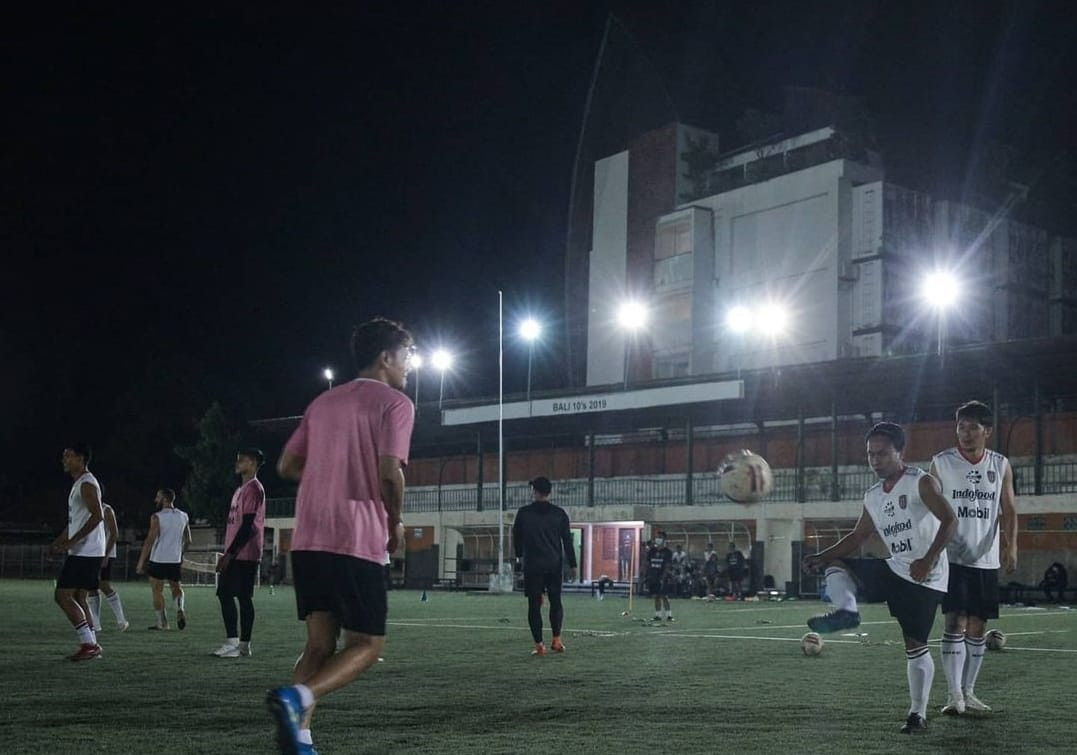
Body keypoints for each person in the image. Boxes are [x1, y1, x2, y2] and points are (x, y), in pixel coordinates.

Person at [267, 317, 416, 755]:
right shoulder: (396, 404)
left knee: (318, 644)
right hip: (356, 538)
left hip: (310, 536)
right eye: (406, 355)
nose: (409, 365)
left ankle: (301, 739)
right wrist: (395, 522)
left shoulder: (323, 403)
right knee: (367, 644)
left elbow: (287, 467)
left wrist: (329, 474)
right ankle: (299, 698)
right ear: (386, 357)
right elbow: (391, 474)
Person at [802, 422, 956, 734]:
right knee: (836, 562)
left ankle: (918, 714)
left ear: (900, 452)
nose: (875, 460)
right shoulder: (872, 496)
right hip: (895, 567)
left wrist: (929, 559)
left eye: (882, 454)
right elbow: (858, 536)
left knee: (915, 645)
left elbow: (950, 521)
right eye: (871, 454)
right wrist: (821, 556)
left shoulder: (921, 483)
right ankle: (847, 612)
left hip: (926, 576)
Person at [930, 401, 1017, 715]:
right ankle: (954, 695)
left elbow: (1009, 509)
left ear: (987, 431)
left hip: (987, 559)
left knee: (978, 626)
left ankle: (969, 692)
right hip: (952, 557)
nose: (965, 433)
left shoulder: (1001, 464)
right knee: (955, 621)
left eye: (972, 427)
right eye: (961, 427)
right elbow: (931, 508)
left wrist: (1011, 546)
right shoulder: (941, 463)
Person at [51, 444, 107, 661]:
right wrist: (59, 541)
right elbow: (76, 521)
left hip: (86, 551)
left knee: (62, 595)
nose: (64, 459)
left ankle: (89, 644)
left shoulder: (86, 483)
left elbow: (97, 515)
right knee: (78, 596)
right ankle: (92, 644)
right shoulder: (79, 484)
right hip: (86, 550)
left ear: (81, 458)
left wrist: (72, 542)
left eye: (68, 456)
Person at [212, 448, 267, 658]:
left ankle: (235, 644)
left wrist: (230, 554)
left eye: (241, 460)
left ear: (252, 463)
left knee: (231, 595)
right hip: (238, 553)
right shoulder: (240, 490)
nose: (237, 463)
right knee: (236, 596)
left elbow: (247, 526)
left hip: (245, 553)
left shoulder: (254, 489)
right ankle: (242, 645)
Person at [513, 476, 577, 655]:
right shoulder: (559, 513)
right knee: (556, 602)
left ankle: (539, 645)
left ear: (534, 491)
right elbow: (567, 541)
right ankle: (556, 640)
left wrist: (519, 557)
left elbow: (516, 536)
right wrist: (572, 564)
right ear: (550, 492)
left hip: (533, 565)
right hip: (554, 564)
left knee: (534, 605)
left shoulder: (524, 513)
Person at [136, 488, 191, 630]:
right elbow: (188, 540)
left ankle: (163, 622)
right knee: (176, 588)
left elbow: (150, 540)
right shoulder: (183, 516)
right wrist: (180, 554)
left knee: (157, 590)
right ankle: (180, 608)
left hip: (158, 558)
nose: (156, 499)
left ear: (165, 499)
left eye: (158, 497)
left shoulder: (157, 517)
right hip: (175, 559)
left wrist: (141, 562)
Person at [86, 501, 129, 633]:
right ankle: (96, 625)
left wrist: (106, 555)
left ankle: (121, 620)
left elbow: (114, 533)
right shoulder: (86, 508)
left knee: (104, 585)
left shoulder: (106, 510)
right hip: (90, 553)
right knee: (91, 587)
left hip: (104, 553)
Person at [644, 531, 675, 621]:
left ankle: (669, 615)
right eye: (657, 537)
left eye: (660, 537)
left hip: (662, 576)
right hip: (653, 576)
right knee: (656, 596)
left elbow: (667, 566)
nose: (658, 539)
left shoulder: (667, 552)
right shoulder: (652, 551)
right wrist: (647, 574)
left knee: (664, 596)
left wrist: (663, 576)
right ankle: (658, 615)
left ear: (664, 539)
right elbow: (648, 563)